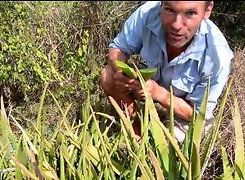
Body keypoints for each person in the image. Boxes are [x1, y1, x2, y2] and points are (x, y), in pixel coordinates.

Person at [99, 1, 234, 143]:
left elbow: (198, 115)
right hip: (149, 84)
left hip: (184, 109)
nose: (176, 25)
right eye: (170, 10)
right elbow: (119, 47)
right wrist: (121, 72)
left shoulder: (217, 58)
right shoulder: (147, 13)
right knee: (108, 76)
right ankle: (137, 134)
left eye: (190, 13)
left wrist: (158, 93)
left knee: (167, 144)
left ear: (207, 10)